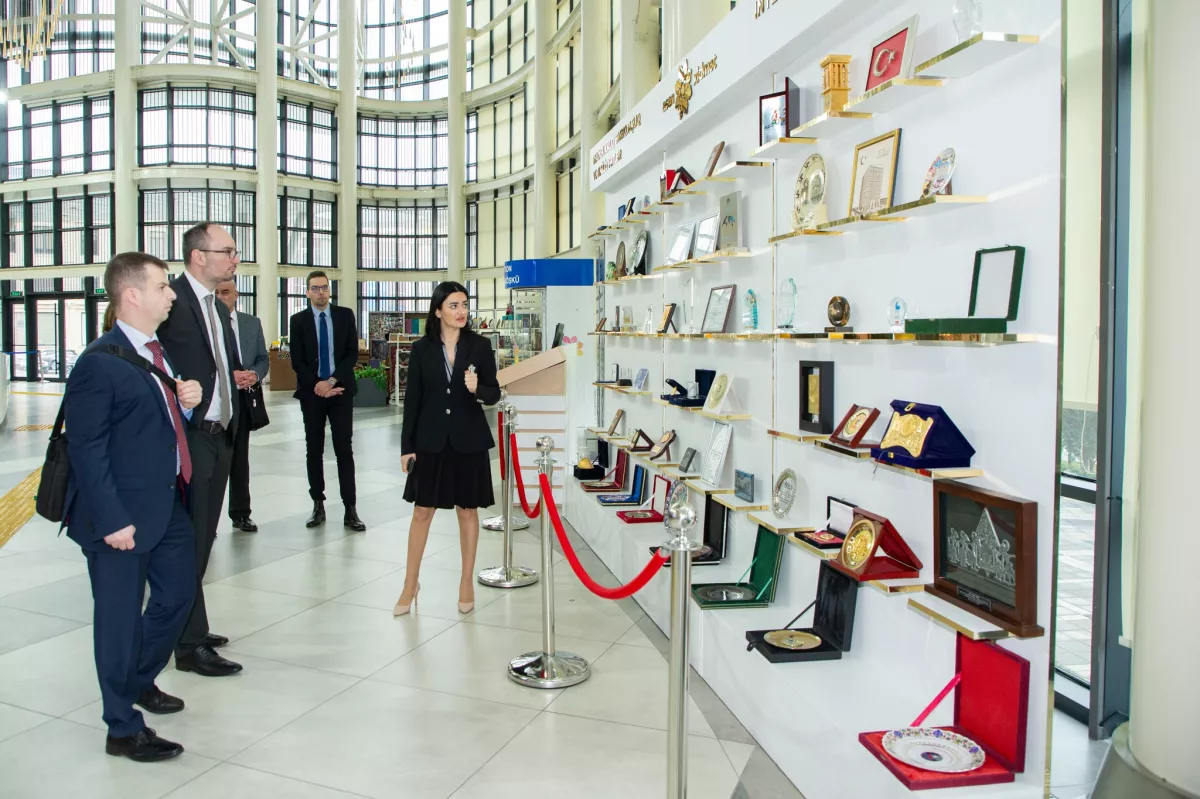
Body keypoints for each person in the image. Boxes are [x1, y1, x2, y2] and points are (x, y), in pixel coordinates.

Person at [64, 252, 203, 761]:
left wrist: (185, 404)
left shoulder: (154, 353)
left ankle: (137, 679)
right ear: (132, 295)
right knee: (119, 622)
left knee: (178, 595)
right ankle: (121, 728)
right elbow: (87, 448)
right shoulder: (99, 362)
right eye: (163, 286)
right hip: (119, 518)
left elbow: (154, 428)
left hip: (164, 505)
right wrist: (112, 520)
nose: (171, 295)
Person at [156, 222, 244, 678]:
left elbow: (219, 366)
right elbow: (151, 361)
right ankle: (188, 645)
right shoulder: (171, 302)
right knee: (189, 541)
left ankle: (191, 624)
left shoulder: (215, 306)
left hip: (220, 436)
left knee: (204, 537)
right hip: (191, 438)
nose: (235, 258)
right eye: (227, 251)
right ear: (198, 256)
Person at [395, 281, 500, 616]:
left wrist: (477, 388)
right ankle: (410, 583)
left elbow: (494, 393)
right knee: (422, 512)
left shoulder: (480, 346)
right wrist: (407, 447)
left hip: (468, 441)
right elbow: (413, 401)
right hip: (430, 441)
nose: (461, 311)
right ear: (438, 310)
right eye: (454, 305)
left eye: (464, 304)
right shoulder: (422, 349)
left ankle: (466, 581)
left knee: (467, 511)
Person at [288, 270, 366, 532]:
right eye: (315, 288)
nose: (320, 292)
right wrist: (318, 386)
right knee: (314, 449)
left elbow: (351, 353)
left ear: (329, 290)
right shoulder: (298, 321)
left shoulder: (345, 315)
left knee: (344, 449)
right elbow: (297, 360)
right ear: (307, 292)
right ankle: (318, 504)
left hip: (340, 390)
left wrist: (331, 382)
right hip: (312, 393)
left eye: (324, 288)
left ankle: (350, 509)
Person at [215, 279, 269, 533]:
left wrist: (254, 375)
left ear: (236, 294)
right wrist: (227, 376)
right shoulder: (206, 324)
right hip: (215, 401)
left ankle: (240, 513)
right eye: (216, 293)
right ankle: (208, 520)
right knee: (213, 462)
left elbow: (262, 358)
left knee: (239, 459)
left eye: (225, 292)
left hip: (244, 400)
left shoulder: (251, 323)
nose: (220, 297)